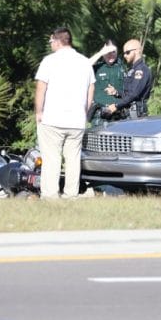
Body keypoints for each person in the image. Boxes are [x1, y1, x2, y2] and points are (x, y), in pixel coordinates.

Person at [34, 27, 95, 199]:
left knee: (52, 159)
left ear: (57, 40)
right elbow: (91, 89)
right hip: (76, 121)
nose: (50, 44)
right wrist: (84, 111)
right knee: (73, 160)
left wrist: (39, 111)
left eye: (51, 41)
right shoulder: (84, 62)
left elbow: (41, 87)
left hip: (53, 119)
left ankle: (51, 196)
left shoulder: (49, 61)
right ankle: (71, 195)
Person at [104, 38, 154, 119]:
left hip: (136, 115)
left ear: (137, 51)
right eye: (124, 53)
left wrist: (116, 106)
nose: (125, 56)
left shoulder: (141, 70)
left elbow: (134, 94)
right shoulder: (132, 70)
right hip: (129, 113)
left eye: (127, 52)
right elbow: (129, 93)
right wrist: (116, 92)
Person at [88, 39, 125, 126]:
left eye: (113, 52)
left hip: (119, 114)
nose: (110, 55)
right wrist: (100, 53)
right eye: (108, 52)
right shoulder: (96, 67)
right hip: (100, 116)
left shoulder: (122, 68)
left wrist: (116, 92)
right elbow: (84, 66)